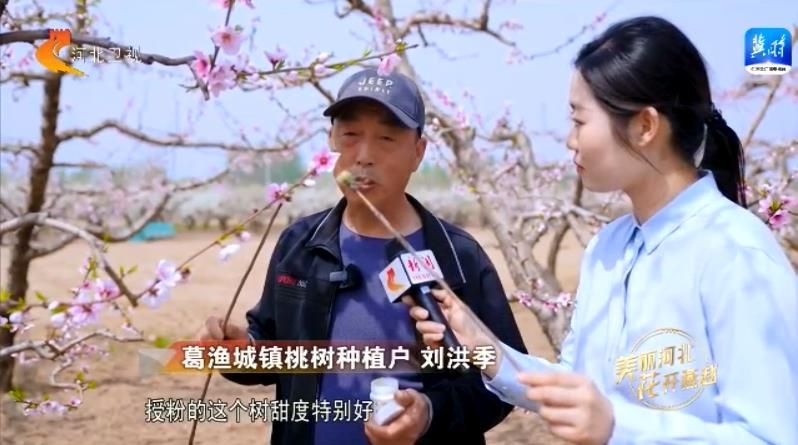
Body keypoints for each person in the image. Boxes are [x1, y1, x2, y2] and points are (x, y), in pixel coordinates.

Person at [407, 16, 798, 445]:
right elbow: (576, 388)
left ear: (645, 126)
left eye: (579, 120)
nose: (569, 139)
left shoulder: (735, 253)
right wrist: (484, 347)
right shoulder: (607, 248)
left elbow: (772, 436)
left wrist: (616, 426)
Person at [199, 67, 527, 445]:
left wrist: (429, 413)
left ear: (418, 152)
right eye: (351, 135)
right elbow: (273, 347)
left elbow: (502, 383)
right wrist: (241, 351)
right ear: (332, 141)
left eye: (386, 138)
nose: (364, 156)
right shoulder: (300, 244)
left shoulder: (459, 257)